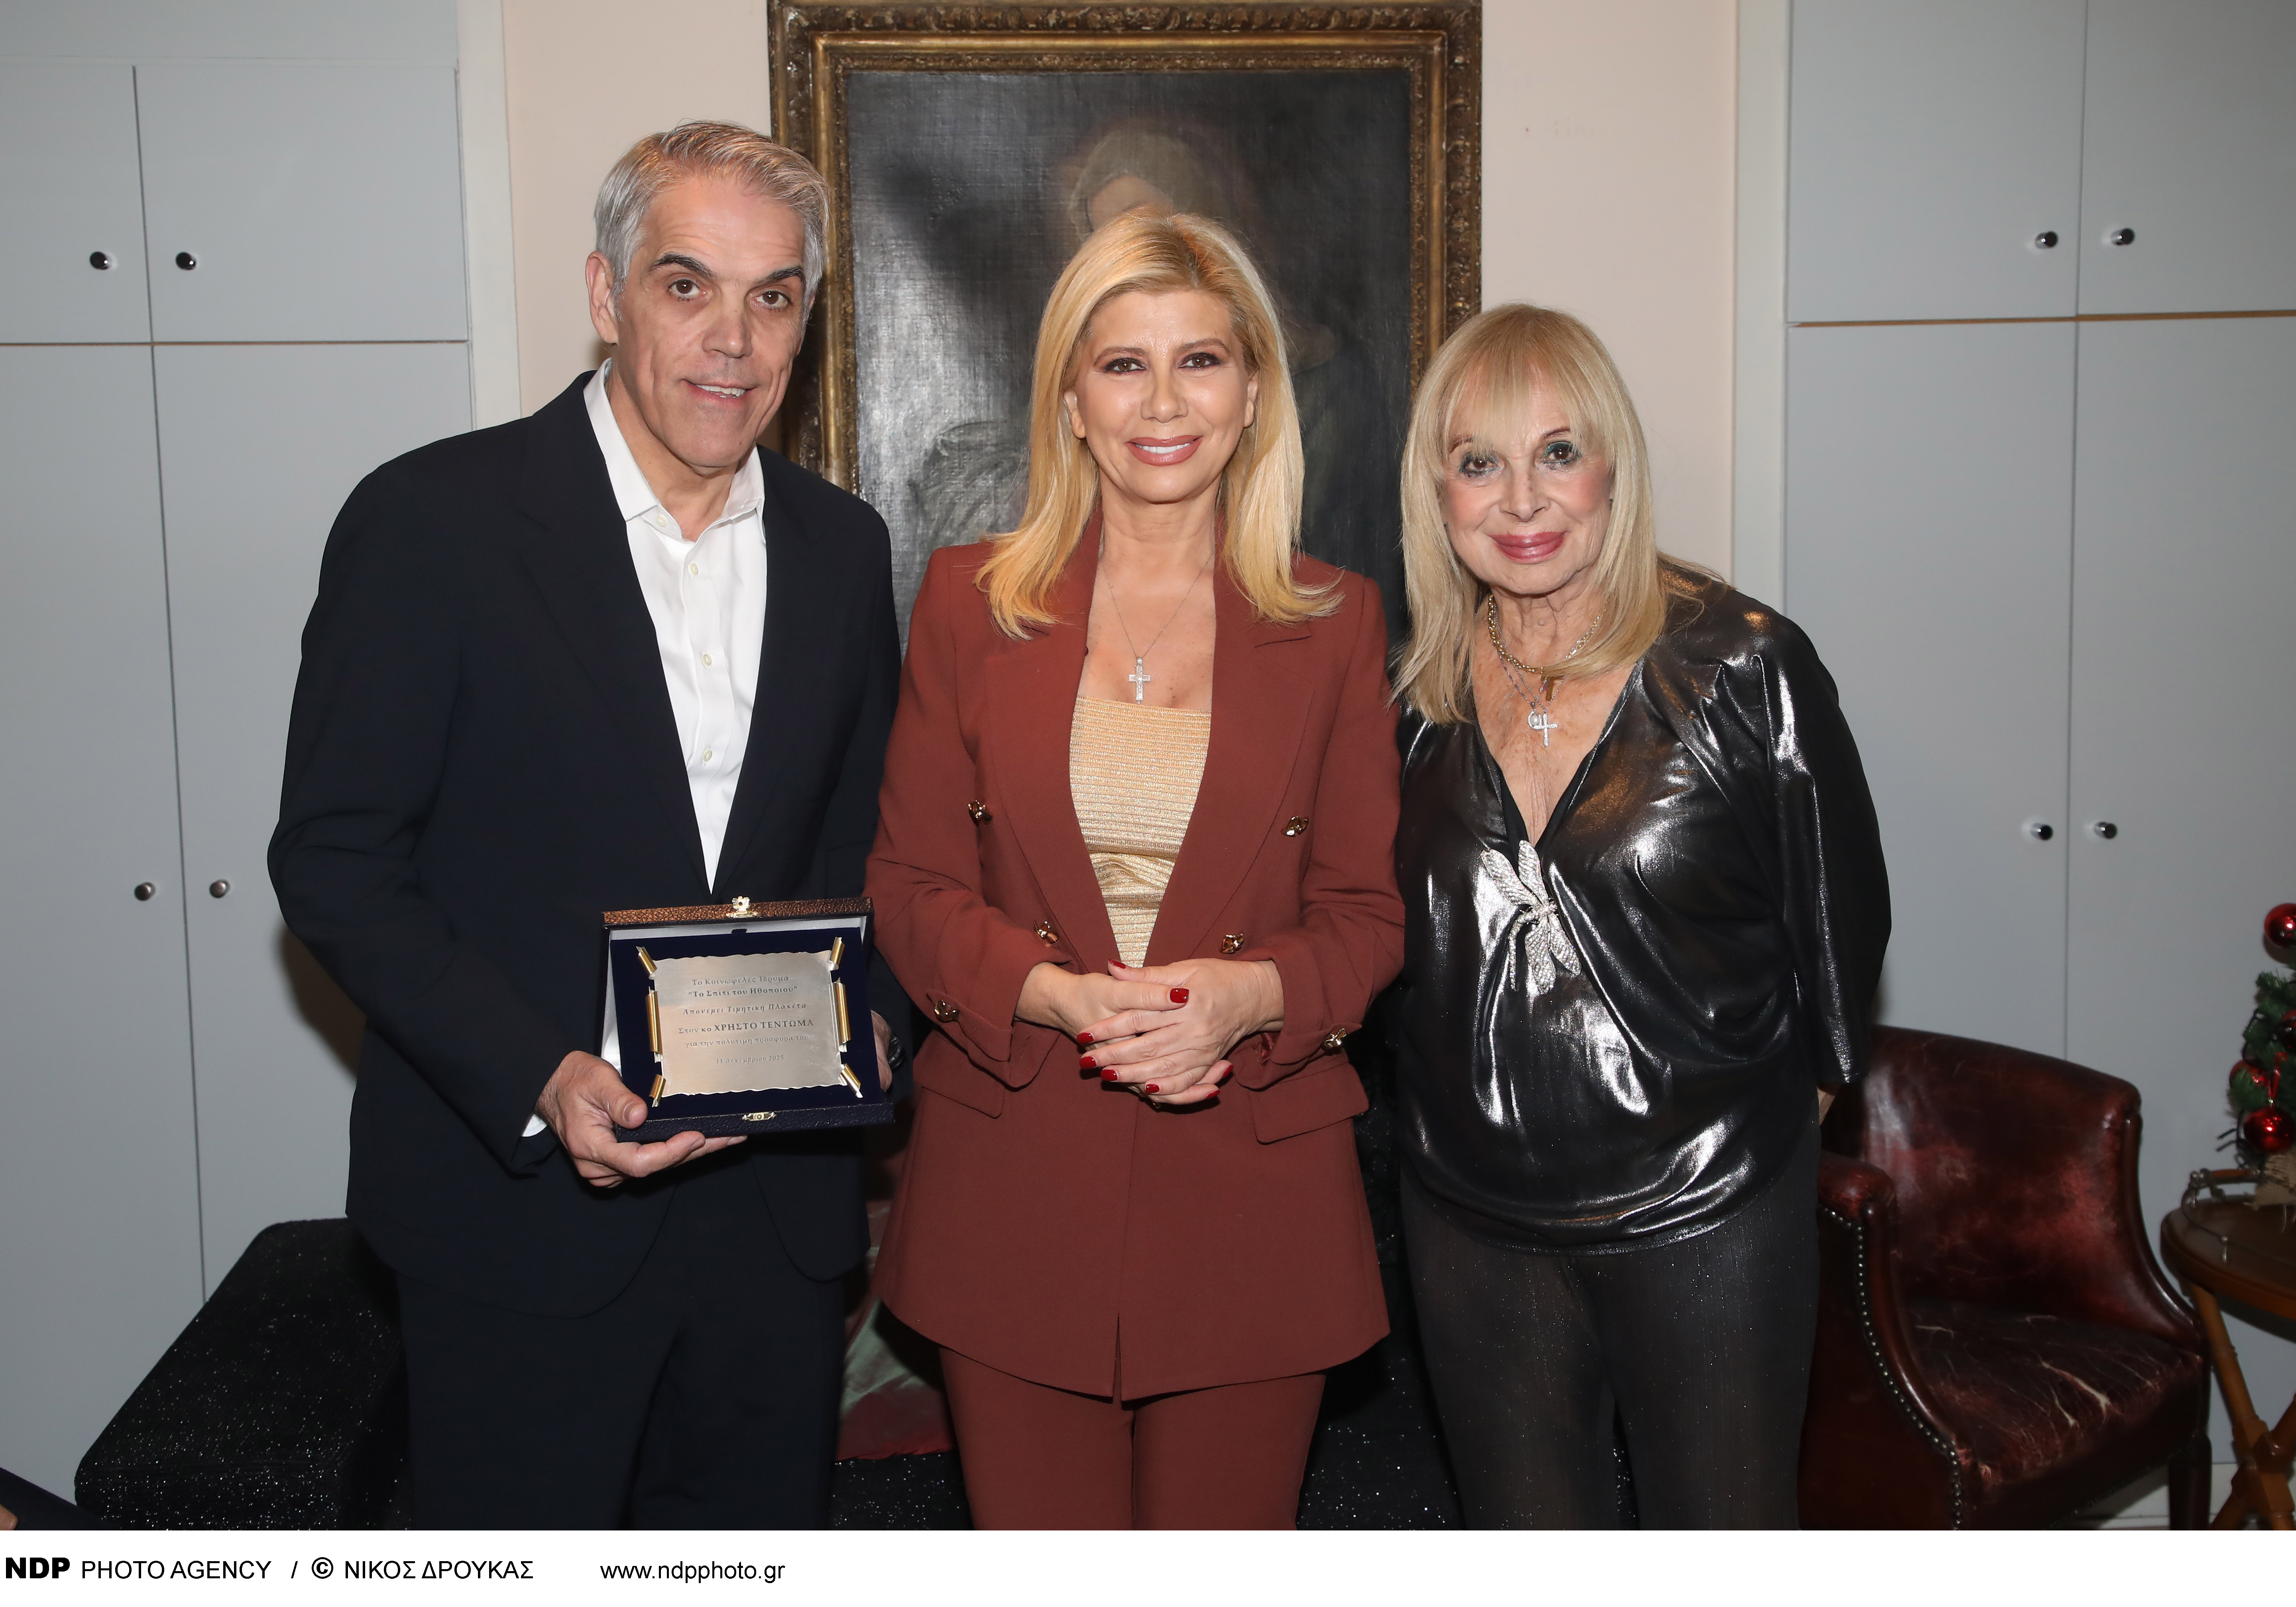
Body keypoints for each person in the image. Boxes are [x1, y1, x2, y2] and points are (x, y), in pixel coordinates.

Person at [268, 122, 904, 1528]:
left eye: (774, 295)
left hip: (775, 1227)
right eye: (687, 285)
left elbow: (860, 848)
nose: (733, 339)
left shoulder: (843, 548)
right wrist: (540, 1075)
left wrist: (876, 1033)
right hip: (521, 1221)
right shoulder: (431, 521)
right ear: (608, 295)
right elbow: (336, 859)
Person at [866, 210, 1404, 1528]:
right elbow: (910, 887)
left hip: (1253, 1192)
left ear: (1254, 392)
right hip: (1016, 1183)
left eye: (1201, 360)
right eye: (1124, 364)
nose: (1164, 402)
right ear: (1071, 401)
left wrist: (1247, 997)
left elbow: (1365, 916)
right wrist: (1050, 992)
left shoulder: (1337, 622)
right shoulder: (967, 603)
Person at [1388, 304, 1889, 1528]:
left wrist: (1770, 1135)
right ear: (1438, 494)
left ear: (1613, 467)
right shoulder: (1410, 699)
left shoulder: (1743, 664)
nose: (1522, 498)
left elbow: (1842, 942)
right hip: (1470, 1220)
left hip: (1709, 1212)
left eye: (1559, 452)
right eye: (1479, 461)